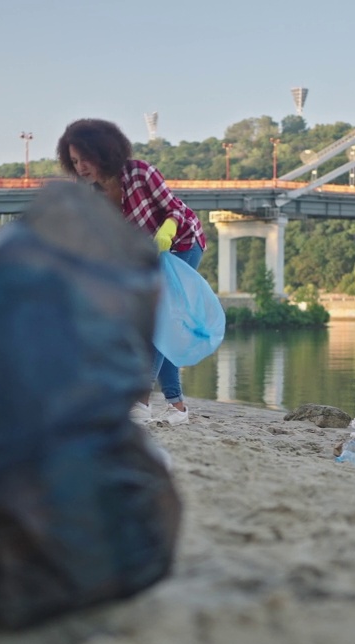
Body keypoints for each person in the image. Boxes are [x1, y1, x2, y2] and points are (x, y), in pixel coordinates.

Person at [57, 118, 207, 426]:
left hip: (181, 242)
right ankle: (177, 407)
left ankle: (139, 401)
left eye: (86, 158)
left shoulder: (140, 171)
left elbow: (175, 209)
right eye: (74, 161)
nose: (81, 167)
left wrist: (166, 230)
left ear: (104, 151)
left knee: (159, 318)